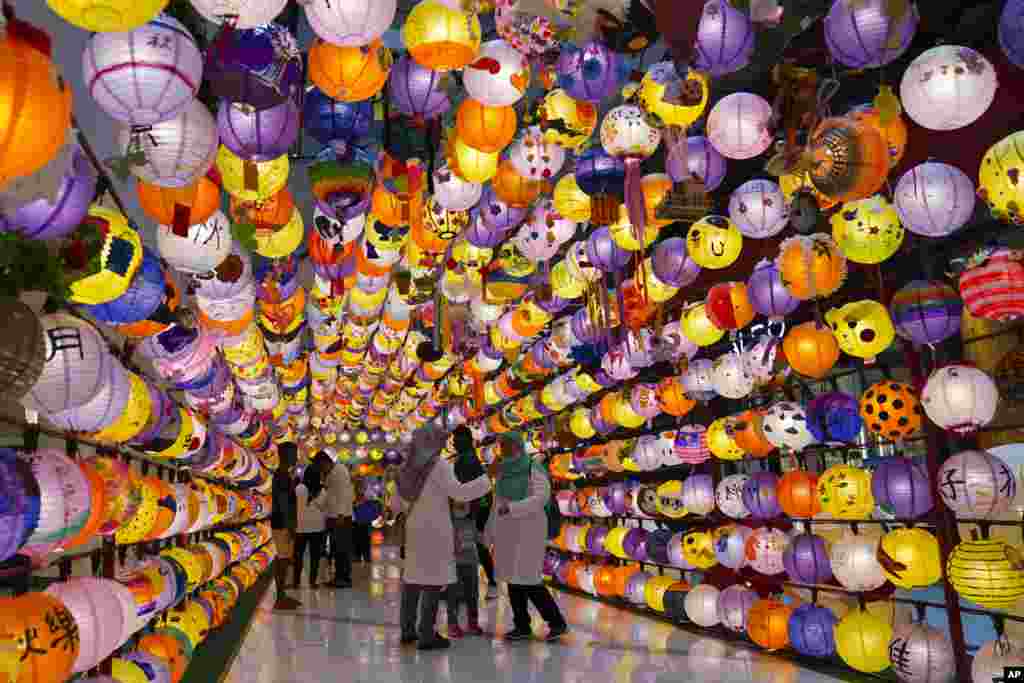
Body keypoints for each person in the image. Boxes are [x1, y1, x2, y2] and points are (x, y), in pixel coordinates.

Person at [397, 423, 491, 651]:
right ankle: (427, 634)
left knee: (412, 580)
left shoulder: (408, 466)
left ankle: (408, 630)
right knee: (432, 581)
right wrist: (488, 479)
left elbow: (396, 502)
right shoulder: (438, 466)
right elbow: (459, 493)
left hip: (414, 528)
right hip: (435, 530)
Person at [486, 432, 567, 641]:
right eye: (501, 446)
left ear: (517, 446)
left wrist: (513, 508)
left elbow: (541, 497)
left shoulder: (533, 467)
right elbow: (497, 502)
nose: (503, 449)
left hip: (530, 530)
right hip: (508, 532)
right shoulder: (503, 471)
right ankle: (521, 625)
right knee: (513, 579)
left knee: (529, 578)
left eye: (506, 445)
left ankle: (556, 622)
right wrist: (489, 533)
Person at [451, 425, 497, 600]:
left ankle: (489, 584)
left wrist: (471, 513)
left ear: (465, 441)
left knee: (475, 546)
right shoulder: (464, 457)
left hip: (476, 508)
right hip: (474, 508)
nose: (454, 443)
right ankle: (469, 586)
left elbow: (474, 489)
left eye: (456, 439)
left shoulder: (467, 459)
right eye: (454, 439)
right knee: (474, 546)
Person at [444, 501, 484, 638]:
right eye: (458, 503)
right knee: (452, 595)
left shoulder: (471, 521)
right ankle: (452, 624)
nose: (461, 505)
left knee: (472, 593)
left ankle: (473, 622)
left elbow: (478, 537)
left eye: (464, 503)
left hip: (471, 562)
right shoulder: (447, 521)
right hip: (453, 563)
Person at [315, 451, 354, 589]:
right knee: (336, 549)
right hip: (333, 516)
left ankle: (344, 578)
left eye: (321, 466)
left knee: (342, 549)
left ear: (326, 462)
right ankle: (338, 577)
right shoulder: (331, 472)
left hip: (340, 518)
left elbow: (344, 494)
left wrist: (341, 514)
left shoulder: (340, 470)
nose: (321, 469)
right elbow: (329, 492)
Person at [271, 443, 302, 610]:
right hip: (282, 524)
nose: (296, 458)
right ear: (286, 456)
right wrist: (290, 526)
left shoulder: (284, 474)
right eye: (294, 454)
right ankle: (280, 598)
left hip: (283, 522)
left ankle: (282, 595)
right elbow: (283, 503)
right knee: (283, 560)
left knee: (284, 559)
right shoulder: (282, 475)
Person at [294, 464, 327, 588]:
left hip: (300, 527)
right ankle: (312, 582)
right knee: (315, 556)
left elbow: (293, 506)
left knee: (298, 556)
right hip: (317, 527)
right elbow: (324, 507)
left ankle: (296, 582)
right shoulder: (322, 491)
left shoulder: (299, 488)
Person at [351, 480, 373, 563]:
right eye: (358, 487)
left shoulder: (368, 499)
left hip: (365, 528)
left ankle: (366, 572)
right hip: (355, 528)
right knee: (356, 554)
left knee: (366, 554)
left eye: (362, 487)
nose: (360, 489)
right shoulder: (352, 499)